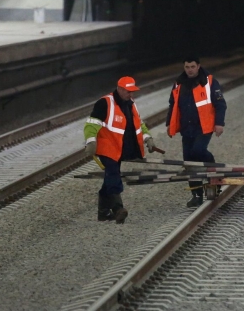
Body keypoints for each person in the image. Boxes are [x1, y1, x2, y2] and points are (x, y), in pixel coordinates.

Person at [84, 76, 156, 223]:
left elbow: (139, 125)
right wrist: (91, 142)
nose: (131, 94)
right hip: (107, 147)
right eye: (128, 91)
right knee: (113, 174)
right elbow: (91, 124)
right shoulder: (104, 103)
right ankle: (118, 209)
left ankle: (103, 213)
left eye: (132, 91)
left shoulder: (131, 104)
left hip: (120, 148)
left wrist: (147, 138)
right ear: (120, 89)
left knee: (110, 178)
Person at [166, 55, 227, 207]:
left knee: (198, 151)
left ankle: (214, 169)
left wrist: (219, 123)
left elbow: (220, 104)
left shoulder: (210, 81)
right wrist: (169, 124)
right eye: (187, 67)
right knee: (189, 161)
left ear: (198, 66)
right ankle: (196, 194)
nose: (190, 70)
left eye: (192, 67)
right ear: (184, 67)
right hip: (186, 128)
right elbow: (172, 105)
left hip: (204, 127)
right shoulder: (178, 83)